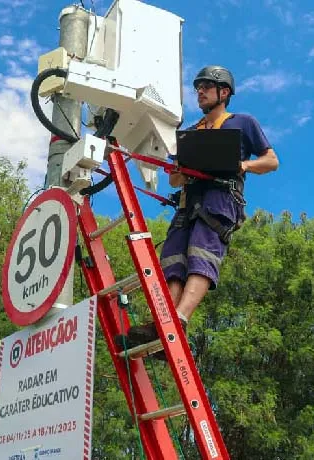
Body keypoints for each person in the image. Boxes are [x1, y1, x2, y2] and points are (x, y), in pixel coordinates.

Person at [116, 65, 279, 357]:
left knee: (202, 254)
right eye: (198, 87)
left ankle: (179, 318)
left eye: (206, 87)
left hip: (220, 199)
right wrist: (182, 170)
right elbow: (174, 179)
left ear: (224, 92)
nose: (200, 92)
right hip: (188, 202)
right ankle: (165, 322)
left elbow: (271, 161)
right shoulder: (191, 133)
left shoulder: (242, 123)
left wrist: (243, 164)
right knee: (175, 260)